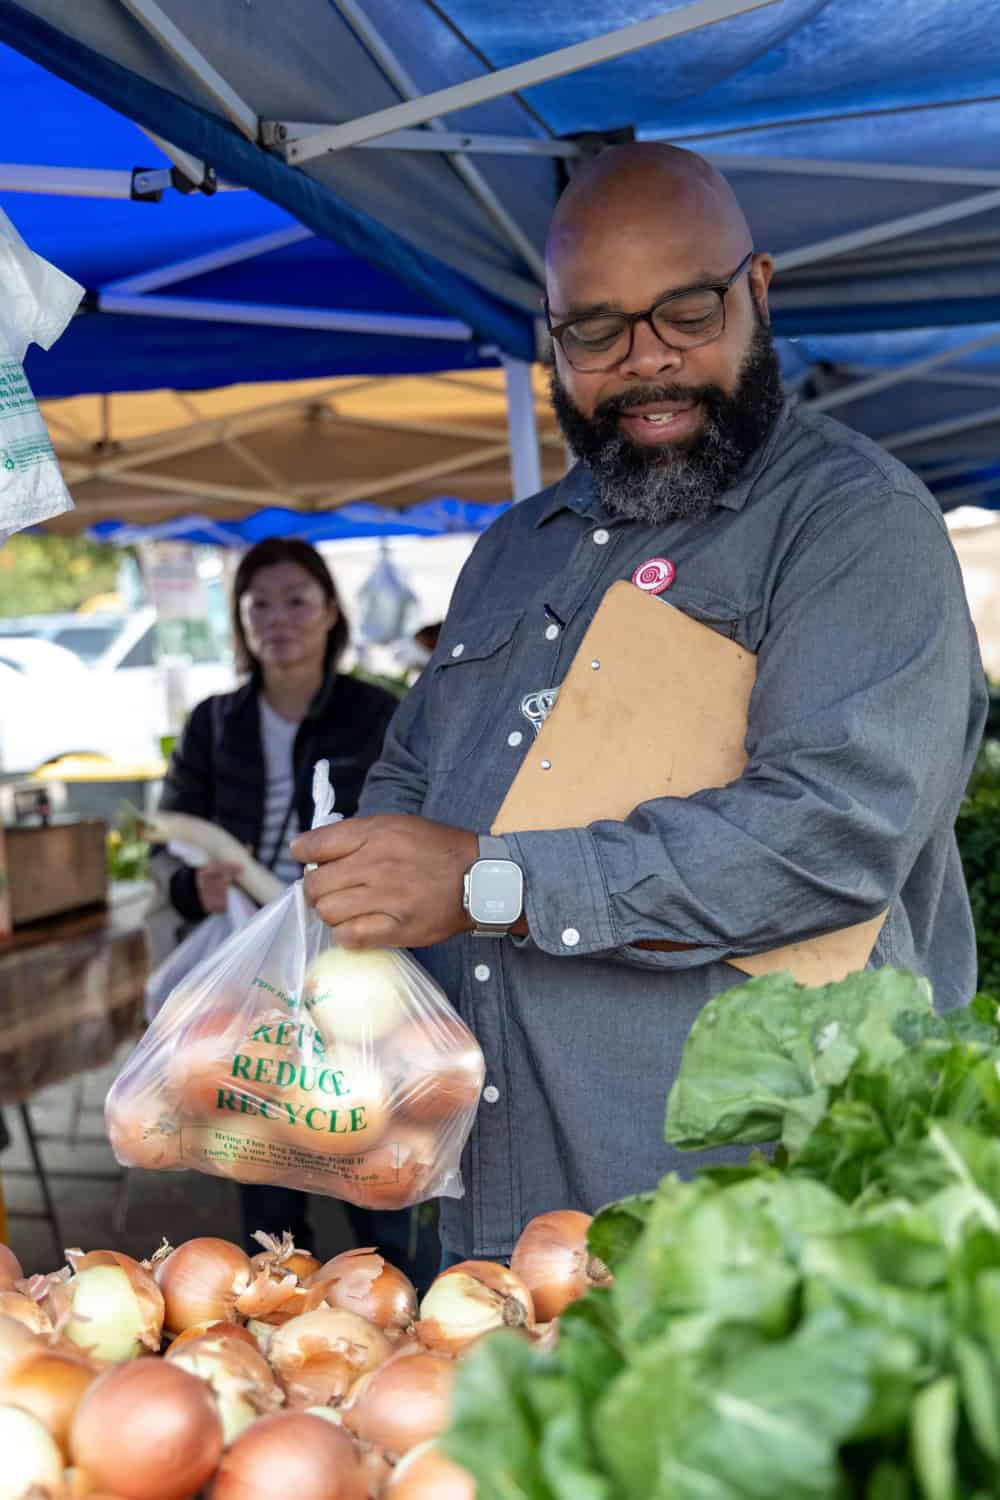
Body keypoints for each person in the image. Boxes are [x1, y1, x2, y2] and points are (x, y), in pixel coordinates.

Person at [291, 143, 988, 1264]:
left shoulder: (852, 525)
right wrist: (356, 898)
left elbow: (828, 835)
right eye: (597, 331)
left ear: (756, 293)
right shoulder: (514, 550)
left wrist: (486, 881)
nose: (646, 362)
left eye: (685, 312)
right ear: (551, 338)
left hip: (748, 1226)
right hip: (492, 1211)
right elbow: (417, 777)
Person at [155, 538, 437, 1279]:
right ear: (241, 623)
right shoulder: (214, 723)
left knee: (366, 1136)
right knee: (264, 1145)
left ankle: (395, 1291)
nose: (278, 619)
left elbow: (419, 822)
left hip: (356, 960)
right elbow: (167, 841)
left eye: (297, 601)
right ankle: (277, 1296)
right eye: (259, 606)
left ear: (330, 613)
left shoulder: (376, 713)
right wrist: (195, 889)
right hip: (253, 968)